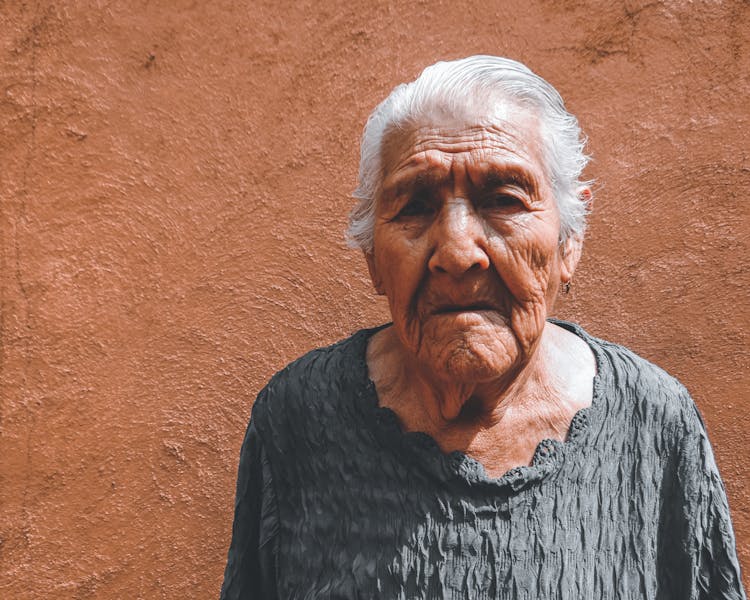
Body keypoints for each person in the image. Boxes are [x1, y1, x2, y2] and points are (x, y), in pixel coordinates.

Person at [219, 56, 746, 599]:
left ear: (569, 242)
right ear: (373, 258)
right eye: (415, 206)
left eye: (503, 200)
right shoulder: (298, 418)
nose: (456, 252)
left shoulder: (654, 424)